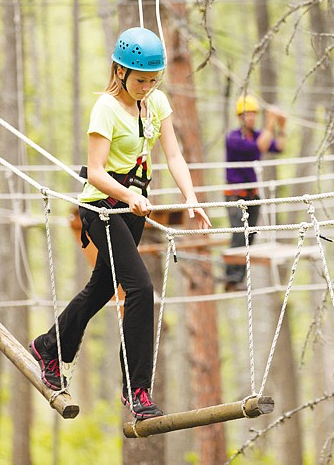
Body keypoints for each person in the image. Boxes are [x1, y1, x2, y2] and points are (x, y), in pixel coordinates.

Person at [29, 27, 211, 420]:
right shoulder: (106, 110)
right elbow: (95, 172)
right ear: (120, 71)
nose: (147, 86)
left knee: (100, 288)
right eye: (140, 79)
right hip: (104, 210)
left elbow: (174, 155)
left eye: (153, 79)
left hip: (133, 210)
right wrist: (128, 196)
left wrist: (190, 197)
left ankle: (49, 346)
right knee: (141, 288)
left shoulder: (157, 103)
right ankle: (137, 390)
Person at [223, 94, 286, 290]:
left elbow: (279, 147)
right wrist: (270, 123)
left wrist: (281, 127)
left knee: (250, 236)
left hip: (252, 194)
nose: (251, 118)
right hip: (236, 195)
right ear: (239, 117)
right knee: (240, 235)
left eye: (253, 114)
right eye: (247, 114)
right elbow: (260, 147)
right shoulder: (233, 138)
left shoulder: (257, 134)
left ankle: (238, 278)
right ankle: (232, 277)